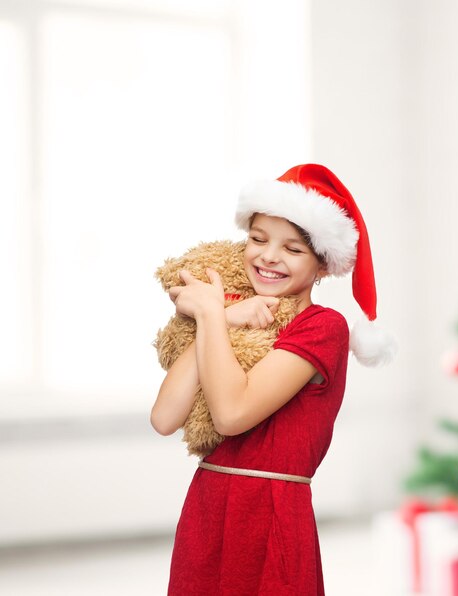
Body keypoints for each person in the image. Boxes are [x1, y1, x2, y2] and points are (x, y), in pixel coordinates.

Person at [151, 164, 396, 595]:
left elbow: (231, 414)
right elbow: (165, 417)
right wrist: (225, 316)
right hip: (207, 507)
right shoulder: (236, 315)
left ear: (322, 265)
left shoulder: (323, 327)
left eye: (293, 249)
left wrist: (209, 313)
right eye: (258, 239)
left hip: (271, 514)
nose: (267, 257)